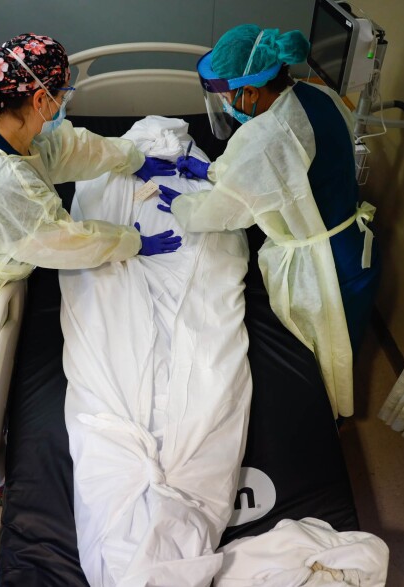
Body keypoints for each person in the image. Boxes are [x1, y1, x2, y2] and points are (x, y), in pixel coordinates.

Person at [0, 33, 181, 450]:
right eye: (62, 93)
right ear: (39, 101)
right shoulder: (1, 180)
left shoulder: (2, 127)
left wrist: (131, 157)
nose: (63, 103)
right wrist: (131, 242)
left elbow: (64, 150)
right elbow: (64, 240)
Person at [158, 25, 381, 419]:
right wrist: (212, 172)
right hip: (353, 246)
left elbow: (224, 212)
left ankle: (323, 422)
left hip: (323, 268)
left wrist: (183, 206)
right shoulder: (316, 94)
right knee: (344, 342)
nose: (226, 103)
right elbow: (278, 168)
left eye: (227, 95)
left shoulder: (266, 137)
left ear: (251, 91)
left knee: (322, 358)